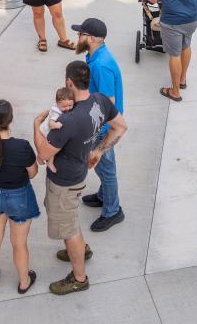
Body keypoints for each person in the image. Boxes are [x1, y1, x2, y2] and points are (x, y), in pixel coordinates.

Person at [33, 61, 128, 296]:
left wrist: (36, 125)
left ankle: (79, 278)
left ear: (68, 82)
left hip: (64, 182)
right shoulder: (100, 101)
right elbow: (121, 126)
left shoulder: (68, 120)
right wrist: (98, 151)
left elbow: (43, 156)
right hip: (79, 174)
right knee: (69, 220)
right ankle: (80, 250)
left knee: (69, 227)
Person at [0, 100, 40, 294]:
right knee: (19, 243)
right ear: (10, 120)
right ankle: (23, 281)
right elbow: (33, 173)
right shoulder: (21, 147)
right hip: (19, 197)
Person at [71, 18, 126, 233]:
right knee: (103, 169)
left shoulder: (101, 65)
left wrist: (98, 134)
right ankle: (104, 196)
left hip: (103, 129)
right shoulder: (95, 56)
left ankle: (113, 211)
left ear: (92, 38)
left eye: (81, 34)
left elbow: (108, 104)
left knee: (106, 168)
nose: (78, 37)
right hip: (100, 126)